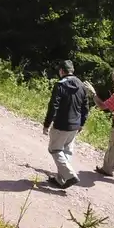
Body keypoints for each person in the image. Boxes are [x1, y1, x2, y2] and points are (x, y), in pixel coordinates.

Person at [42, 59, 90, 189]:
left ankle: (69, 176)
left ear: (61, 71)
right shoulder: (81, 85)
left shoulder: (60, 85)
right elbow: (85, 107)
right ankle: (60, 179)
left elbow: (53, 106)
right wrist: (82, 123)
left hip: (61, 124)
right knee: (67, 151)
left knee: (55, 149)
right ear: (72, 71)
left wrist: (47, 124)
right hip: (75, 125)